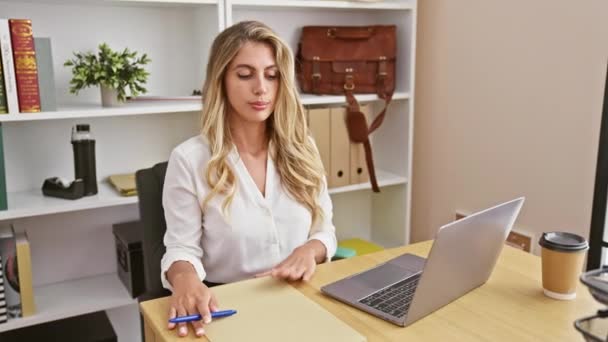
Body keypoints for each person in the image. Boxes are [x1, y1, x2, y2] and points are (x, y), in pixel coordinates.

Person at [160, 21, 337, 338]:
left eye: (272, 75)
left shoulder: (302, 148)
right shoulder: (189, 160)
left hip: (302, 301)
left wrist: (310, 250)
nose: (261, 88)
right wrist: (185, 277)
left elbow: (325, 231)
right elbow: (181, 249)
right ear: (221, 81)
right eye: (245, 75)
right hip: (230, 308)